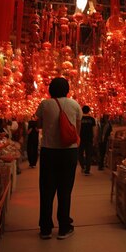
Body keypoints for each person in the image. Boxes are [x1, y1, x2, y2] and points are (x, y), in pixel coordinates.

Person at [35, 77, 82, 240]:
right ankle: (64, 227)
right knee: (65, 190)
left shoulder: (44, 104)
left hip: (49, 151)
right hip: (69, 151)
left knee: (46, 190)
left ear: (50, 90)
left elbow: (39, 125)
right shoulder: (74, 104)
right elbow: (77, 128)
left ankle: (46, 228)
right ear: (67, 89)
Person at [78, 106, 97, 175]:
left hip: (80, 139)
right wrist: (94, 138)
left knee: (80, 153)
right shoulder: (92, 119)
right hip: (89, 139)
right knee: (88, 154)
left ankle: (83, 166)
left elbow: (77, 128)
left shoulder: (80, 119)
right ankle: (87, 170)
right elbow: (94, 130)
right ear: (89, 111)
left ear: (82, 110)